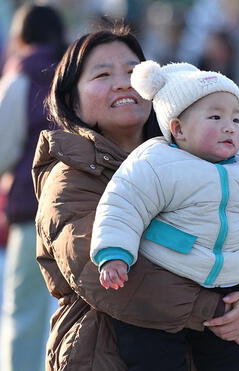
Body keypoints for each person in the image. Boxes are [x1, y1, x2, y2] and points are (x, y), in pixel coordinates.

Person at [34, 26, 239, 371]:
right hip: (105, 353)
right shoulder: (69, 178)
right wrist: (220, 310)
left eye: (131, 71)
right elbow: (107, 277)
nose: (123, 82)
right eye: (102, 74)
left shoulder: (203, 158)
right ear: (72, 98)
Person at [90, 60, 239, 361]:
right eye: (216, 117)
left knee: (237, 358)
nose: (228, 127)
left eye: (235, 120)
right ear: (178, 128)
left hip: (230, 288)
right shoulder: (155, 162)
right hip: (165, 281)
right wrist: (114, 253)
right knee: (151, 357)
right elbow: (123, 205)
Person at [0, 5, 65, 371]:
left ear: (21, 36)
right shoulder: (72, 78)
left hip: (32, 211)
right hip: (81, 210)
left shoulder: (20, 76)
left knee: (24, 313)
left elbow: (3, 149)